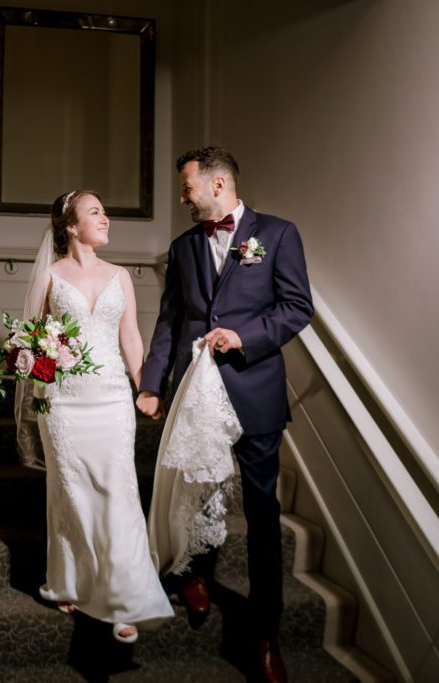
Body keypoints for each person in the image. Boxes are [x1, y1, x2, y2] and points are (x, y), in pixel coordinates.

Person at [137, 146, 313, 682]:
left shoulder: (278, 234)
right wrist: (149, 385)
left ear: (217, 185)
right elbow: (170, 322)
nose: (183, 198)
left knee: (261, 517)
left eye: (187, 188)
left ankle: (265, 634)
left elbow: (297, 306)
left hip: (254, 394)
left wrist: (245, 336)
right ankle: (192, 576)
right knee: (193, 495)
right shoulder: (183, 246)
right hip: (195, 396)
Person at [20, 189, 174, 644]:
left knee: (118, 492)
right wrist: (43, 387)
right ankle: (71, 581)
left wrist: (145, 387)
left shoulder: (119, 276)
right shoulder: (50, 276)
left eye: (105, 211)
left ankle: (125, 601)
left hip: (110, 399)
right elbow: (32, 341)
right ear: (71, 226)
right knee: (70, 493)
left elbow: (130, 339)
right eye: (95, 212)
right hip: (63, 404)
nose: (105, 218)